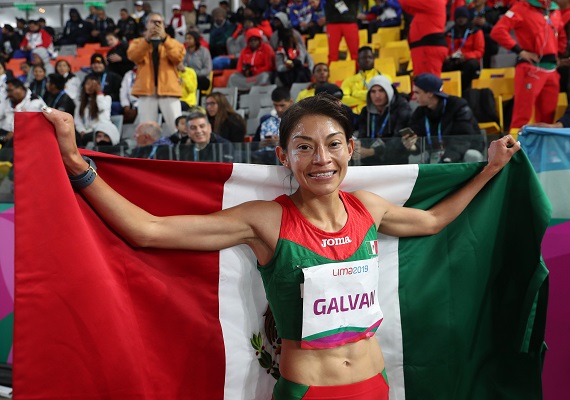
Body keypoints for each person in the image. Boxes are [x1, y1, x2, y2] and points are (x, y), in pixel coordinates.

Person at [42, 92, 519, 399]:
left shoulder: (369, 209)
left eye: (333, 144)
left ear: (351, 150)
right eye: (304, 146)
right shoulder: (266, 220)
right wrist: (75, 163)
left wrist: (492, 169)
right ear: (283, 156)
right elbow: (150, 230)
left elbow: (434, 220)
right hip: (307, 391)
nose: (321, 158)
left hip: (375, 386)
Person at [490, 0, 567, 130]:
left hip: (551, 70)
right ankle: (514, 150)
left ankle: (543, 150)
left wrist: (558, 53)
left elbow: (561, 34)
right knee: (522, 116)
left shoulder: (555, 10)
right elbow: (498, 31)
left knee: (548, 118)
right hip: (530, 69)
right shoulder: (521, 8)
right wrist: (520, 51)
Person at [127, 12, 186, 136]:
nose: (157, 25)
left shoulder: (173, 42)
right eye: (153, 22)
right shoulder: (138, 42)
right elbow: (133, 56)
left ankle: (183, 152)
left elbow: (177, 58)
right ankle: (148, 154)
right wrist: (147, 39)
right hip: (146, 90)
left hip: (169, 89)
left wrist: (164, 39)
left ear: (164, 25)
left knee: (177, 127)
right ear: (146, 25)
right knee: (146, 130)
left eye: (160, 22)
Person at [409, 73, 485, 164]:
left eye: (417, 92)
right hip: (436, 154)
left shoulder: (458, 106)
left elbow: (462, 138)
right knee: (414, 158)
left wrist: (448, 159)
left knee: (472, 155)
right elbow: (418, 136)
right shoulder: (420, 112)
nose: (413, 97)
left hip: (462, 150)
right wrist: (413, 146)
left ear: (429, 93)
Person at [355, 75, 412, 166]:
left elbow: (398, 139)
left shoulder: (402, 108)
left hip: (395, 163)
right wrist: (358, 146)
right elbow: (362, 135)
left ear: (389, 91)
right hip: (370, 164)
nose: (377, 95)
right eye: (373, 91)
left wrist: (372, 151)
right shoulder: (365, 111)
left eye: (381, 91)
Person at [399, 0, 449, 76]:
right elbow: (408, 7)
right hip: (425, 48)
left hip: (427, 49)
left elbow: (406, 2)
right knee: (423, 83)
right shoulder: (427, 5)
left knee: (426, 84)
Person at [443, 6, 485, 91]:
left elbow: (480, 51)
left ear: (467, 18)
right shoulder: (449, 33)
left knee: (472, 64)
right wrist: (448, 57)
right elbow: (444, 50)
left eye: (463, 18)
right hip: (453, 60)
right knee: (443, 65)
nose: (461, 20)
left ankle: (463, 89)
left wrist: (466, 56)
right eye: (458, 18)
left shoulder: (476, 31)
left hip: (468, 61)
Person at [341, 47, 390, 113]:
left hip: (379, 114)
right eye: (364, 58)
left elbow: (386, 98)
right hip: (356, 115)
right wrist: (372, 99)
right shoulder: (349, 80)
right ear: (358, 61)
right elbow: (344, 100)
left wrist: (355, 93)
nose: (367, 60)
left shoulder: (384, 78)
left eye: (370, 57)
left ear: (374, 59)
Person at [0, 78, 46, 146]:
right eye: (7, 91)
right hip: (4, 133)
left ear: (20, 88)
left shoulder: (34, 102)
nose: (8, 94)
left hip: (24, 137)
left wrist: (15, 133)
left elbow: (32, 126)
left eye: (10, 91)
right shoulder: (9, 99)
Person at [74, 74, 112, 146]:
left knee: (88, 137)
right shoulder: (81, 103)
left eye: (93, 84)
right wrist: (82, 130)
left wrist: (99, 93)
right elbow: (77, 120)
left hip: (101, 130)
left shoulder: (106, 98)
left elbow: (102, 108)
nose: (90, 87)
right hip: (85, 132)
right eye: (88, 84)